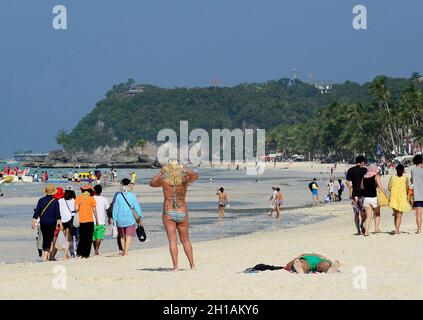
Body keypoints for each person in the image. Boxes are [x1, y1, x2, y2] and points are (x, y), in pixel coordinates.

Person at [149, 159, 198, 271]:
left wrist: (161, 172)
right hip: (182, 211)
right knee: (185, 240)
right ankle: (192, 265)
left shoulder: (163, 180)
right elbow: (196, 176)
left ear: (168, 168)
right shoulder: (185, 179)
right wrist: (185, 170)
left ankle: (175, 267)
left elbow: (151, 183)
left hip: (168, 211)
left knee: (172, 240)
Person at [31, 185, 63, 262]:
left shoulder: (41, 200)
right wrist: (60, 223)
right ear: (53, 192)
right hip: (52, 222)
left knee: (45, 238)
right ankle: (45, 257)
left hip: (43, 222)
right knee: (49, 239)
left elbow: (37, 212)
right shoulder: (55, 201)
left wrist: (33, 221)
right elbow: (57, 214)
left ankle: (46, 256)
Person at [112, 178, 143, 256]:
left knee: (122, 236)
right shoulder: (132, 195)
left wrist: (114, 218)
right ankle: (126, 252)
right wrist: (140, 216)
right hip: (130, 219)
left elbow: (115, 208)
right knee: (128, 236)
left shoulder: (118, 196)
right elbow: (136, 207)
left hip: (120, 219)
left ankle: (123, 252)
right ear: (129, 185)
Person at [362, 164, 388, 236]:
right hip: (374, 197)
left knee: (368, 216)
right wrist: (386, 195)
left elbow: (362, 186)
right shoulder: (376, 176)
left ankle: (366, 231)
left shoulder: (364, 177)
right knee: (377, 213)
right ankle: (376, 228)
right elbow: (380, 186)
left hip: (366, 198)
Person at [346, 156, 367, 235]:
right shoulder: (365, 170)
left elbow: (347, 182)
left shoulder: (350, 170)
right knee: (364, 212)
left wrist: (350, 189)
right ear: (362, 162)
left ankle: (358, 230)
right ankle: (362, 224)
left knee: (356, 213)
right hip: (363, 194)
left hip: (354, 195)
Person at [75, 185, 98, 258]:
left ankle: (80, 252)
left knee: (82, 237)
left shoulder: (78, 198)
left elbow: (75, 209)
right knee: (88, 238)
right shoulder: (92, 199)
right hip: (89, 221)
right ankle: (86, 254)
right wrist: (97, 219)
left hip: (81, 221)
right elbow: (94, 211)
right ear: (90, 191)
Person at [388, 164, 412, 234]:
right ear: (403, 170)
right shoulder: (405, 178)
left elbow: (389, 187)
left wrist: (394, 191)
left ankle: (397, 229)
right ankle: (397, 229)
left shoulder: (392, 177)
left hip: (393, 197)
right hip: (402, 198)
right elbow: (407, 188)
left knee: (396, 215)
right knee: (399, 215)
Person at [92, 184, 110, 255]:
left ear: (94, 191)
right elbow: (107, 210)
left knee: (94, 237)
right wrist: (109, 218)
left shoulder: (91, 198)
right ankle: (96, 251)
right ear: (101, 191)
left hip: (92, 220)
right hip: (101, 221)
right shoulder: (104, 199)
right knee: (99, 237)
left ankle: (96, 251)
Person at [411, 154, 423, 234]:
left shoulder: (413, 170)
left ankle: (419, 229)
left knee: (418, 214)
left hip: (417, 195)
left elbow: (412, 181)